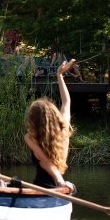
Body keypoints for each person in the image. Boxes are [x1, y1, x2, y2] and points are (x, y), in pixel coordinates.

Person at [24, 59, 78, 192]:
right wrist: (59, 76)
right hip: (58, 187)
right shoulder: (63, 130)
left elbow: (46, 162)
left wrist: (61, 182)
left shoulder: (30, 138)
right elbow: (66, 102)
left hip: (42, 188)